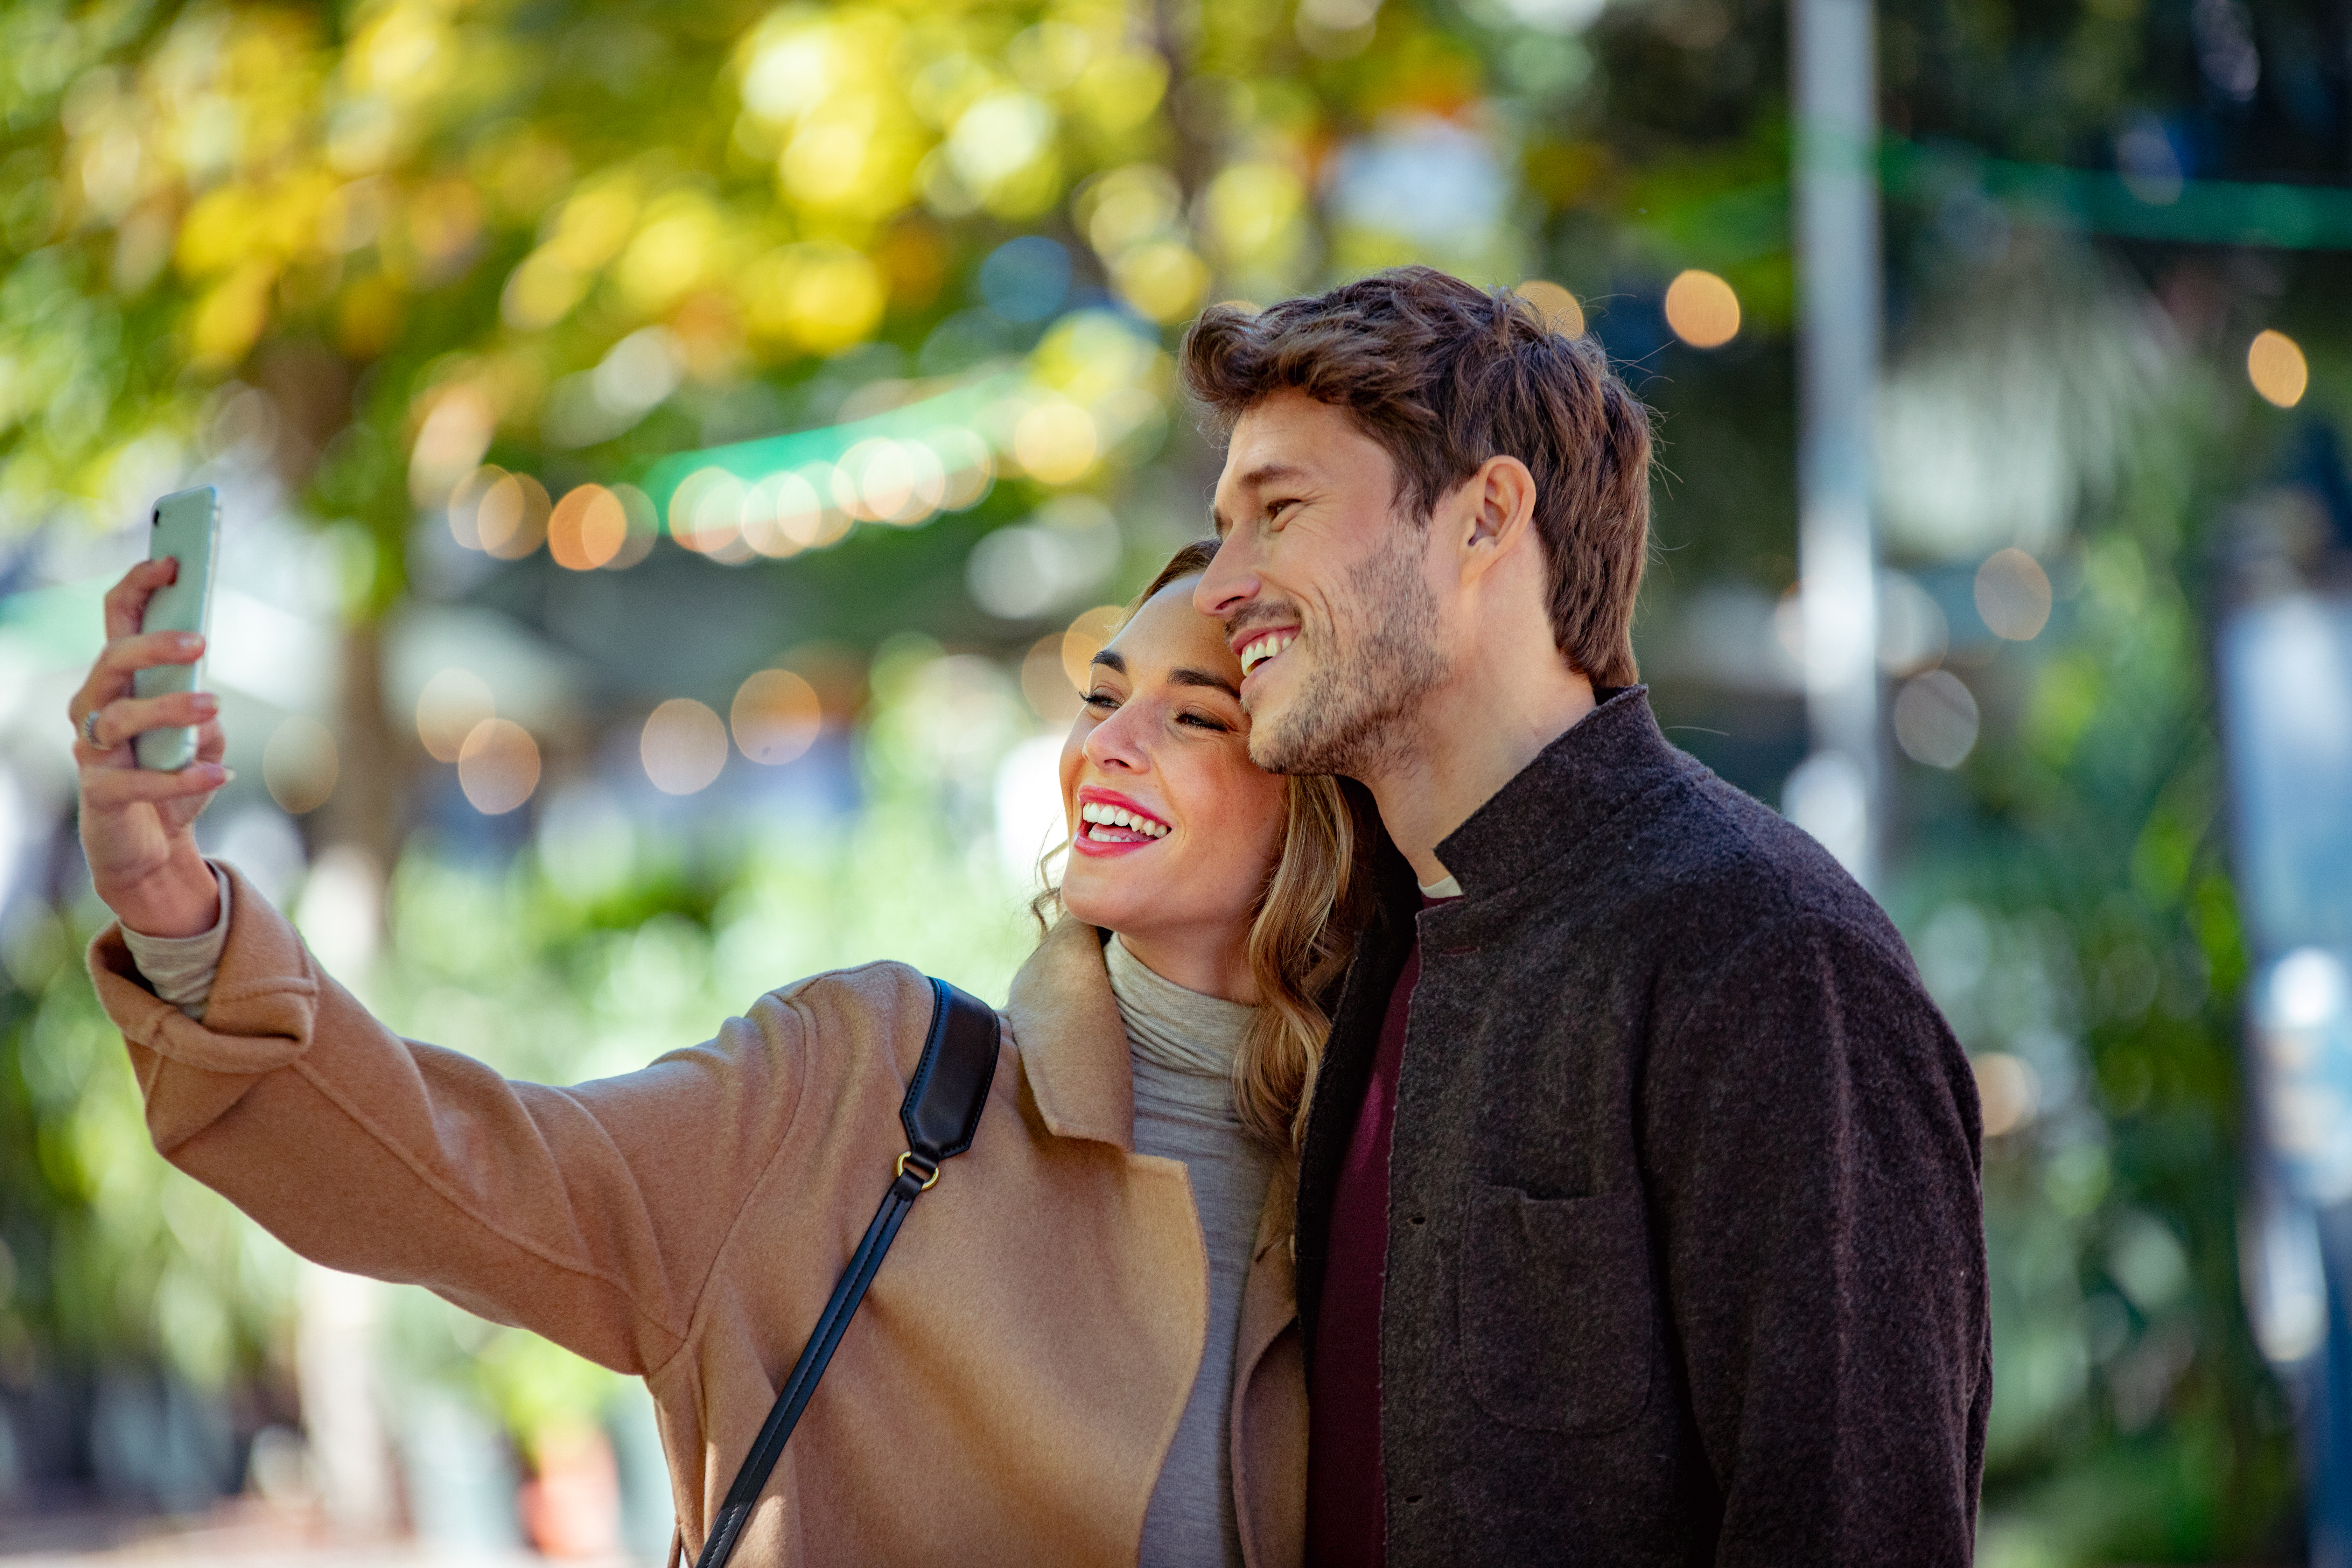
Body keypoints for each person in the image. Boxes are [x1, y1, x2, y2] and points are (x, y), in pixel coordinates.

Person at [71, 540, 1371, 1568]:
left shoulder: (1383, 1172)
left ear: (1320, 780)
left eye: (1195, 717)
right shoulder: (864, 1083)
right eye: (1101, 694)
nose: (1107, 746)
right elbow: (469, 1176)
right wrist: (182, 917)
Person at [1180, 267, 1990, 1566]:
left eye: (1277, 511)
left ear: (1485, 515)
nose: (1223, 588)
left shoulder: (1769, 955)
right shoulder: (1377, 952)